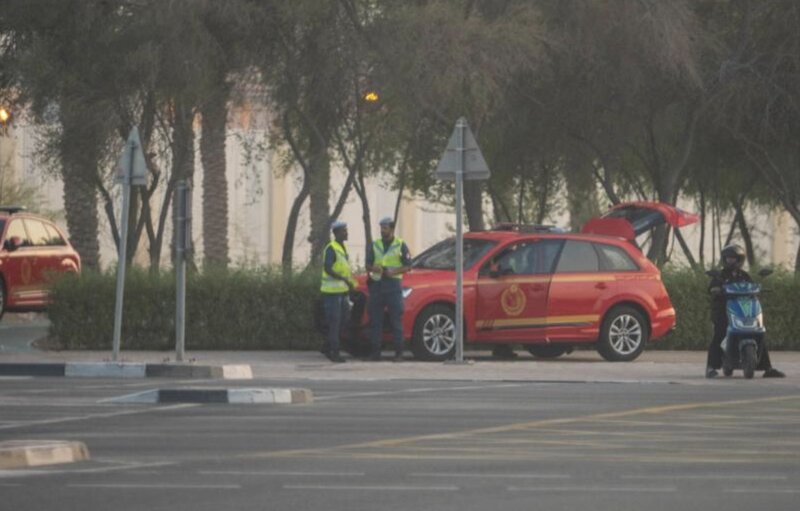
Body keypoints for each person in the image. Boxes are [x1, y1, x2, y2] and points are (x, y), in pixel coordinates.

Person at [706, 244, 785, 378]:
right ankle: (711, 367)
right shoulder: (720, 275)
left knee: (758, 332)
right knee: (719, 333)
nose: (730, 261)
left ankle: (768, 368)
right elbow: (712, 288)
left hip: (743, 309)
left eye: (733, 258)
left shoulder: (744, 276)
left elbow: (752, 286)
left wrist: (760, 287)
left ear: (740, 260)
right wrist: (716, 289)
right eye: (728, 258)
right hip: (723, 311)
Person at [366, 217, 412, 362]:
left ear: (391, 229)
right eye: (381, 228)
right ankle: (375, 353)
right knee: (375, 321)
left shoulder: (400, 244)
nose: (382, 230)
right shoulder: (375, 245)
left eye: (385, 228)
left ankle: (399, 354)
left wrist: (394, 272)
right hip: (377, 286)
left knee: (395, 321)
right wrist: (375, 268)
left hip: (393, 285)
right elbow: (368, 264)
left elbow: (408, 265)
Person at [319, 220, 358, 363]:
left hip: (342, 292)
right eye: (344, 231)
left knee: (344, 321)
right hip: (332, 293)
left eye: (346, 230)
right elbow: (328, 268)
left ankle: (327, 346)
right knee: (335, 322)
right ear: (336, 233)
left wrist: (351, 284)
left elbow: (344, 270)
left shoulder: (342, 248)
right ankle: (334, 353)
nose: (346, 233)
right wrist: (344, 279)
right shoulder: (331, 248)